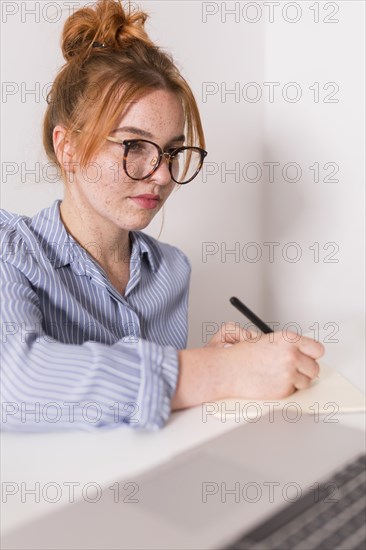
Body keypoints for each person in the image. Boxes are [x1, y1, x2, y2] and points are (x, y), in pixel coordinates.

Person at [0, 0, 324, 432]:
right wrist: (217, 372)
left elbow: (148, 424)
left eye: (172, 151)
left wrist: (207, 362)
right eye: (134, 145)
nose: (163, 174)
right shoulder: (11, 253)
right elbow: (15, 383)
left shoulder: (171, 271)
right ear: (68, 148)